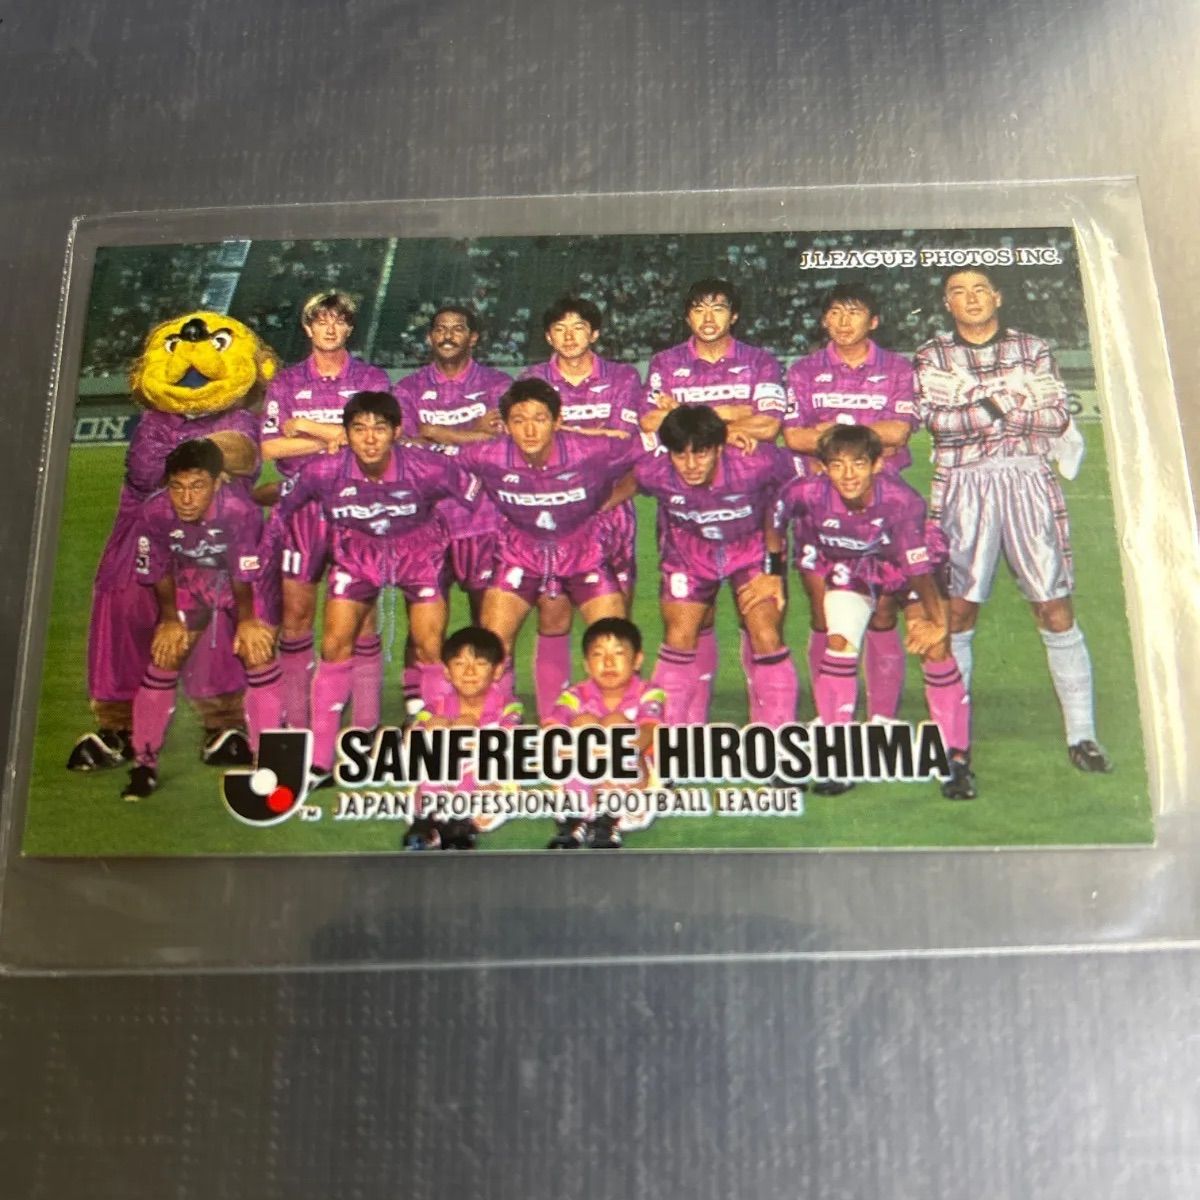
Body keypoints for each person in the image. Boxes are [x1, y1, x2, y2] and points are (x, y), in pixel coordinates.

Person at [914, 267, 1111, 772]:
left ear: (997, 297)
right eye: (959, 292)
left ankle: (1082, 736)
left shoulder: (1033, 347)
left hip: (1028, 480)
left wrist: (975, 400)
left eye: (980, 289)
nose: (971, 298)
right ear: (947, 304)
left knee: (1054, 607)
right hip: (962, 485)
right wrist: (1012, 396)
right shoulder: (932, 354)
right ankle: (954, 741)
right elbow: (941, 425)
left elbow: (1055, 418)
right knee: (958, 612)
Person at [265, 391, 480, 784]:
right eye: (358, 429)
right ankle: (319, 761)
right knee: (334, 645)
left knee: (430, 647)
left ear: (396, 432)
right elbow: (284, 507)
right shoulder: (322, 471)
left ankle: (436, 750)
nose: (369, 438)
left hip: (419, 553)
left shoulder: (429, 468)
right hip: (357, 554)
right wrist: (265, 558)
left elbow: (476, 497)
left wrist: (463, 543)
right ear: (345, 433)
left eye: (379, 428)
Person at [775, 425, 975, 799]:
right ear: (823, 468)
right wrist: (772, 572)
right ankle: (837, 755)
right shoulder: (805, 492)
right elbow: (774, 520)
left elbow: (917, 569)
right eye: (837, 465)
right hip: (853, 566)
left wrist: (938, 623)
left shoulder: (902, 501)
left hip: (908, 568)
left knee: (935, 649)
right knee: (838, 643)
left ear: (877, 464)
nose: (848, 475)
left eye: (858, 464)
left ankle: (957, 757)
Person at [638, 278, 788, 716]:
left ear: (733, 315)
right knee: (688, 626)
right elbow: (651, 423)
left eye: (718, 308)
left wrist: (691, 417)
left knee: (762, 627)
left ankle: (773, 730)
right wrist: (733, 415)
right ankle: (682, 730)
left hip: (749, 520)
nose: (708, 317)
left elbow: (769, 425)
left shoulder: (759, 361)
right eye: (699, 308)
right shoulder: (666, 362)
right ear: (687, 316)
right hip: (688, 523)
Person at [452, 378, 644, 717]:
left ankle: (619, 726)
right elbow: (424, 460)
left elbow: (652, 454)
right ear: (505, 424)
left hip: (584, 550)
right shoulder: (486, 454)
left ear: (557, 421)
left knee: (614, 645)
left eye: (539, 419)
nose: (529, 430)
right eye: (519, 420)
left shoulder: (591, 449)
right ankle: (496, 725)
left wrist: (616, 495)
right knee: (491, 646)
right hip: (520, 552)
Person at [782, 283, 919, 720]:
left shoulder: (897, 368)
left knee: (882, 615)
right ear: (824, 320)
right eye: (835, 313)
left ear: (873, 321)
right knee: (824, 614)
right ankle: (831, 716)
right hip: (819, 508)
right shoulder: (804, 370)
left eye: (854, 312)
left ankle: (881, 719)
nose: (843, 322)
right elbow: (794, 436)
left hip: (881, 510)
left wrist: (831, 431)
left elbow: (899, 432)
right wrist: (864, 433)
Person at [260, 291, 391, 731]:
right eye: (321, 320)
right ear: (308, 327)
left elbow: (376, 440)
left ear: (349, 328)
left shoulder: (371, 378)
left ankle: (365, 725)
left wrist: (306, 426)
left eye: (339, 320)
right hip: (301, 509)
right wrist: (336, 435)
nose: (330, 328)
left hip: (359, 506)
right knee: (296, 617)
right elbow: (270, 447)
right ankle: (298, 724)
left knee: (363, 618)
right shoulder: (285, 382)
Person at [121, 439, 280, 800]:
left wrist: (247, 622)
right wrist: (169, 620)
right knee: (165, 656)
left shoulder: (240, 510)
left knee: (257, 653)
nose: (186, 498)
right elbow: (158, 569)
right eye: (177, 487)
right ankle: (143, 765)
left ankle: (267, 761)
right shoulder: (154, 512)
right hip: (194, 580)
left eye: (197, 486)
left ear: (218, 481)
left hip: (248, 584)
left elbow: (244, 573)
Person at [634, 406, 797, 727]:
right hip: (688, 554)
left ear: (720, 448)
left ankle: (777, 733)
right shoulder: (651, 471)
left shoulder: (756, 461)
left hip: (751, 549)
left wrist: (774, 571)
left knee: (766, 634)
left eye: (701, 454)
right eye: (680, 455)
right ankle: (671, 735)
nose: (691, 465)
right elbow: (614, 485)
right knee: (679, 635)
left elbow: (791, 491)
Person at [519, 296, 643, 718]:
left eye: (578, 328)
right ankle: (553, 719)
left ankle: (618, 717)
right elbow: (526, 445)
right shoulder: (532, 379)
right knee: (553, 618)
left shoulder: (623, 377)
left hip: (610, 509)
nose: (569, 336)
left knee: (614, 625)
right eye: (560, 328)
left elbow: (624, 441)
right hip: (553, 513)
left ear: (595, 333)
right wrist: (594, 433)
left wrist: (562, 431)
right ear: (548, 336)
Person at [392, 305, 513, 715]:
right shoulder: (407, 389)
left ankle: (490, 705)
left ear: (473, 337)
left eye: (458, 329)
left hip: (482, 519)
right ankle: (419, 703)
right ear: (430, 337)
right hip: (425, 521)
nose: (448, 335)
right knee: (424, 618)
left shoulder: (497, 384)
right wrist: (471, 432)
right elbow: (406, 447)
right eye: (440, 329)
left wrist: (434, 432)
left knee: (488, 619)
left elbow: (498, 445)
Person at [543, 617, 666, 849]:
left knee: (614, 722)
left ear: (637, 660)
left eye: (618, 653)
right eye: (598, 654)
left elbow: (649, 730)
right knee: (583, 723)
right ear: (587, 665)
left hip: (633, 784)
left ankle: (609, 819)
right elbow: (552, 728)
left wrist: (612, 752)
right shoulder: (574, 695)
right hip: (586, 778)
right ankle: (575, 818)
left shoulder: (649, 692)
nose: (608, 663)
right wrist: (580, 750)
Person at [404, 625, 524, 851]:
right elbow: (412, 739)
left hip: (486, 780)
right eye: (459, 664)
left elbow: (509, 736)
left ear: (498, 671)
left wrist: (469, 734)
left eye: (480, 664)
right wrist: (431, 728)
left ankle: (460, 824)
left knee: (469, 735)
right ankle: (427, 819)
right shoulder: (436, 706)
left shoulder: (508, 705)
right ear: (447, 672)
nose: (469, 672)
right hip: (441, 782)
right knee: (435, 733)